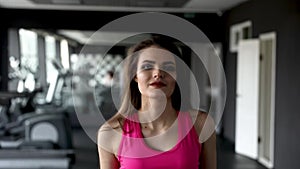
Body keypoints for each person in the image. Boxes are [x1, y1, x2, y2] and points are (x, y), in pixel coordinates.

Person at [97, 34, 216, 169]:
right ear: (135, 75)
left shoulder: (201, 124)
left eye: (168, 67)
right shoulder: (111, 132)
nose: (158, 73)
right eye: (147, 66)